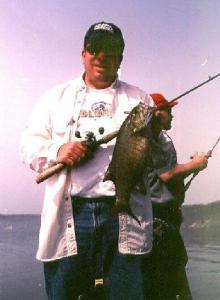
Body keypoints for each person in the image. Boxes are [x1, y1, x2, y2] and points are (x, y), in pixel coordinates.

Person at [20, 21, 153, 300]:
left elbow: (161, 161)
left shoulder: (140, 99)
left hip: (122, 215)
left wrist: (160, 133)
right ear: (83, 53)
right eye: (95, 48)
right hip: (71, 215)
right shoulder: (53, 98)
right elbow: (28, 148)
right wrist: (59, 151)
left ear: (120, 58)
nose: (101, 56)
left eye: (111, 50)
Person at [143, 93, 209, 300]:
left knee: (175, 268)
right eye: (168, 111)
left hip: (167, 218)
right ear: (155, 114)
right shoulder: (147, 141)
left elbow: (169, 174)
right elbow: (167, 174)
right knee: (166, 279)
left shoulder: (162, 139)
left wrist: (192, 166)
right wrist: (195, 164)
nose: (172, 116)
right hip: (157, 221)